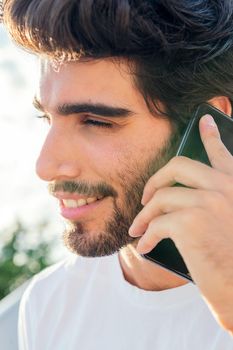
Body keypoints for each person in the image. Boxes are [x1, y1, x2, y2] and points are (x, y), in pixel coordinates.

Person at [3, 0, 233, 348]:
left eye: (96, 121)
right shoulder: (48, 304)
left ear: (208, 124)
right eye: (47, 119)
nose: (45, 167)